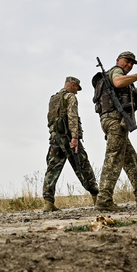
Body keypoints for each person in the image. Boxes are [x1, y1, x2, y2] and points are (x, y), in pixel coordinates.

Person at [93, 51, 137, 211]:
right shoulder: (117, 71)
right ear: (118, 60)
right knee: (113, 158)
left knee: (130, 158)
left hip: (110, 120)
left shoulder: (109, 74)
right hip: (115, 121)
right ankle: (104, 200)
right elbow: (118, 82)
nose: (128, 65)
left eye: (131, 64)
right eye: (126, 62)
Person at [43, 76, 99, 212]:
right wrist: (74, 137)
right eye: (77, 88)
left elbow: (50, 118)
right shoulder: (70, 97)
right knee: (82, 165)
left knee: (52, 168)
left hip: (55, 137)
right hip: (68, 138)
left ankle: (48, 203)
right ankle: (97, 198)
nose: (77, 92)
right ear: (72, 85)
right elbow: (72, 116)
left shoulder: (53, 98)